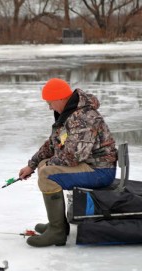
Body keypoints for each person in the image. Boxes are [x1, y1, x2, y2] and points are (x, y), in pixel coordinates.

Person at [19, 78, 117, 247]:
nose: (49, 107)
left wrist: (47, 167)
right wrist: (32, 165)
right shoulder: (69, 114)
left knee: (47, 174)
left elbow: (74, 156)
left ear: (60, 98)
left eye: (50, 103)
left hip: (100, 171)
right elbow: (52, 144)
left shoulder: (83, 117)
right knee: (44, 166)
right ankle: (58, 225)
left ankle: (57, 233)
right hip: (90, 166)